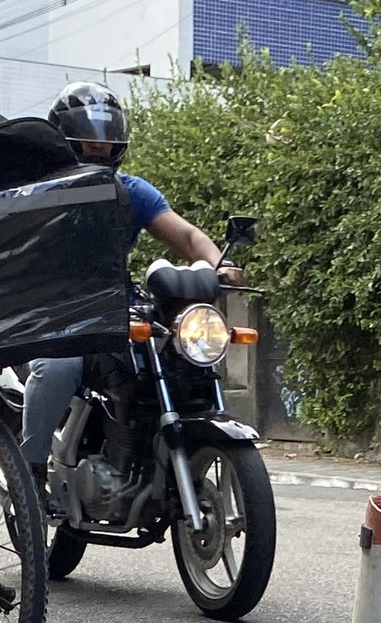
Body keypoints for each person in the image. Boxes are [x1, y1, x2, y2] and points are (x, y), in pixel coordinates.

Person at [19, 83, 238, 488]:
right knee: (58, 367)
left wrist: (218, 264)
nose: (98, 150)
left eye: (105, 141)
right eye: (87, 143)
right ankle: (28, 474)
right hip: (50, 309)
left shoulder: (132, 191)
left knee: (176, 349)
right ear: (63, 138)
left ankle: (148, 452)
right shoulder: (38, 191)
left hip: (113, 305)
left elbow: (188, 238)